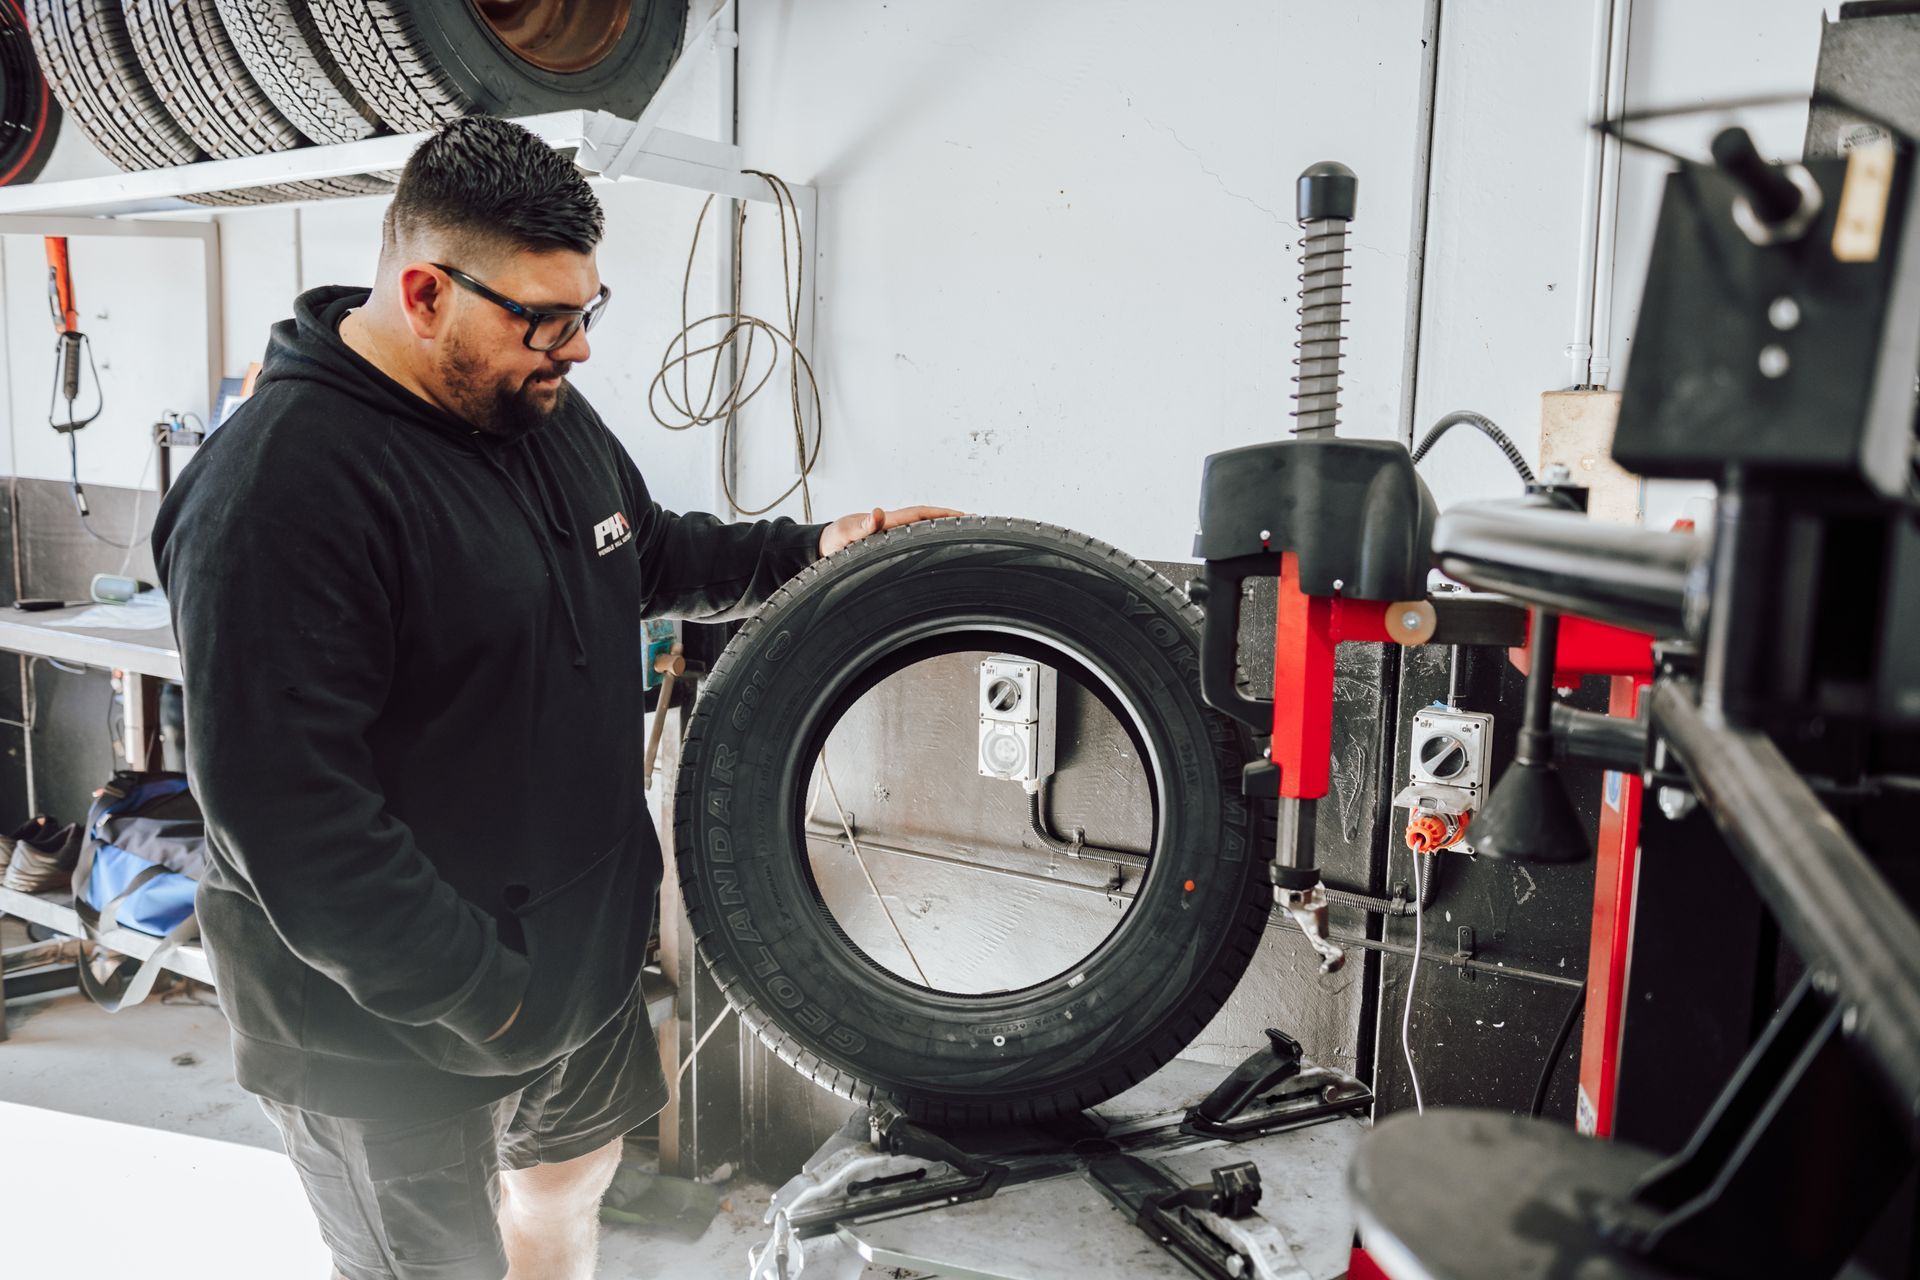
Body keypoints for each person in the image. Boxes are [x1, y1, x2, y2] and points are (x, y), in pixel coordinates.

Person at [152, 115, 956, 1280]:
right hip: (393, 1023)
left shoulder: (524, 402)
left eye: (589, 312)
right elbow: (292, 821)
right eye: (545, 320)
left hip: (572, 962)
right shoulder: (279, 489)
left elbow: (640, 550)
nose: (575, 351)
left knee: (565, 1196)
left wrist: (814, 545)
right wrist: (488, 1002)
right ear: (424, 290)